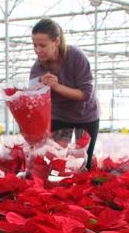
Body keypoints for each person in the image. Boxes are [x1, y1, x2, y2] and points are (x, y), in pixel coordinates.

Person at [29, 18, 101, 170]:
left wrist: (56, 86)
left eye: (42, 45)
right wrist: (39, 83)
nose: (37, 50)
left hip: (86, 115)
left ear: (56, 41)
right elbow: (33, 98)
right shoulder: (38, 67)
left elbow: (85, 94)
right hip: (59, 116)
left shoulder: (76, 57)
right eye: (35, 45)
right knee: (57, 161)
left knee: (83, 162)